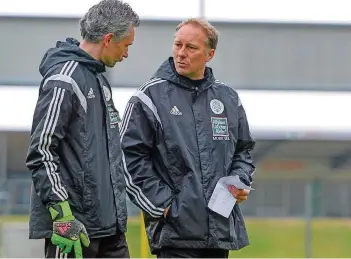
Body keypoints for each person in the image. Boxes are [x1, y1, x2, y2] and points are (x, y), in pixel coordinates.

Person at [120, 18, 256, 258]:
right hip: (175, 234)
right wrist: (164, 205)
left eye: (191, 47)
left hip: (219, 233)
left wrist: (239, 181)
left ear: (209, 54)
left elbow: (243, 151)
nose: (181, 53)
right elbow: (127, 157)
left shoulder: (228, 99)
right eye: (177, 45)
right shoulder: (148, 97)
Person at [25, 0, 140, 258]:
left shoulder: (99, 80)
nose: (126, 54)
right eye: (126, 45)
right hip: (74, 230)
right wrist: (62, 216)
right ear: (109, 39)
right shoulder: (63, 79)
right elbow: (41, 152)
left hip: (111, 229)